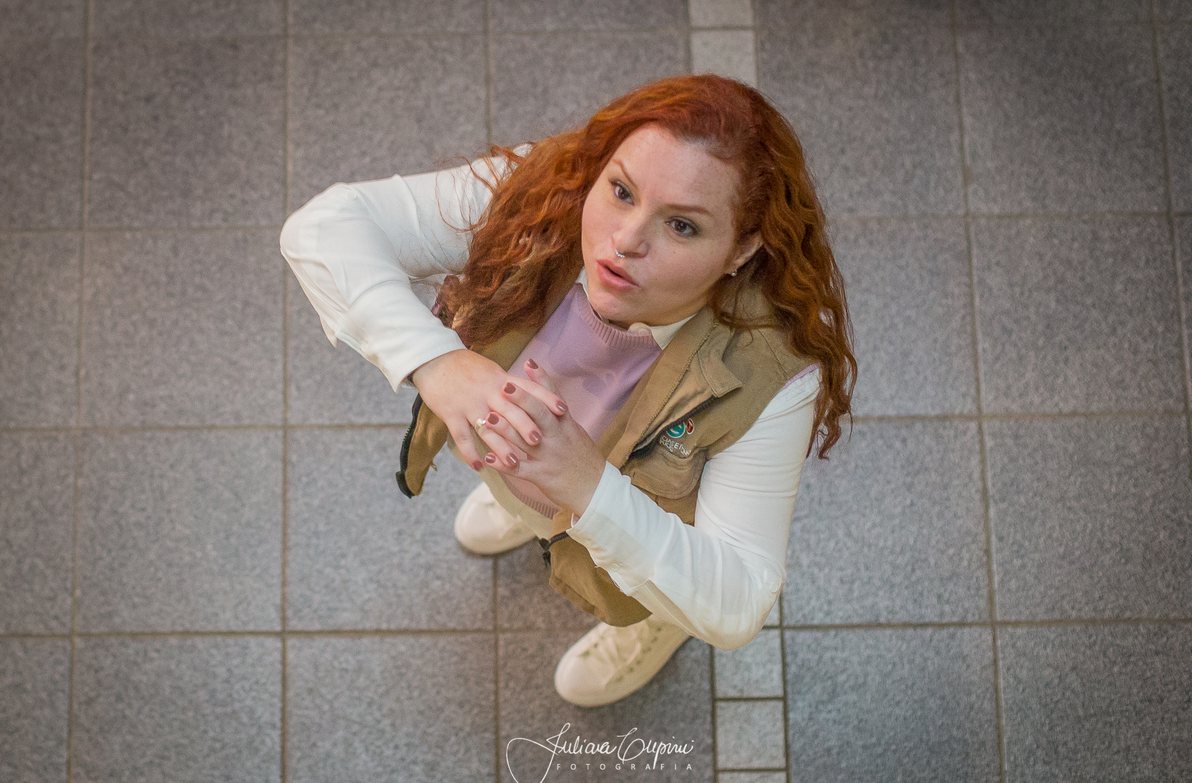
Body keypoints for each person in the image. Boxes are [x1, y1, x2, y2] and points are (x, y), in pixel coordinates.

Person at [280, 74, 856, 708]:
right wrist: (437, 363)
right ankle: (525, 505)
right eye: (621, 191)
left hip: (624, 517)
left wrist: (587, 486)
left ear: (741, 249)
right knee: (518, 484)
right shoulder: (546, 187)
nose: (625, 240)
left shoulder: (776, 374)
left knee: (660, 587)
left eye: (682, 226)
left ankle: (648, 624)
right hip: (517, 454)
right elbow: (321, 229)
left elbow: (736, 601)